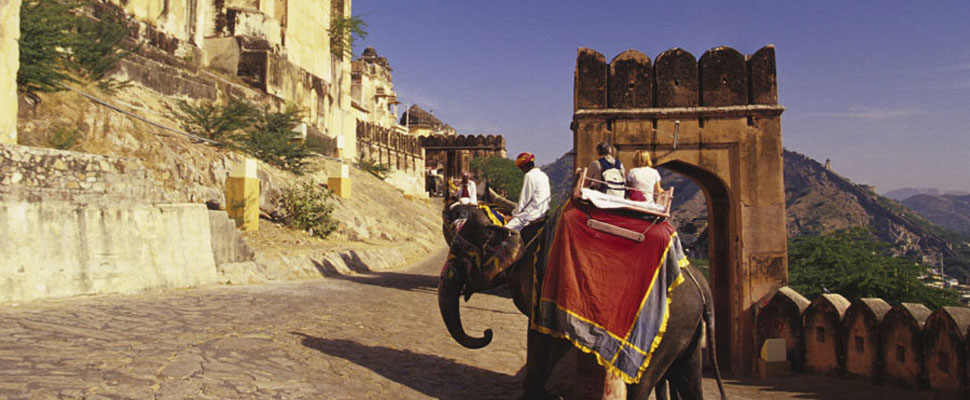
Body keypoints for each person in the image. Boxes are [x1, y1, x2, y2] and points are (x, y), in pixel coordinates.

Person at [505, 152, 550, 232]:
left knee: (504, 231)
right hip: (543, 212)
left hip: (532, 214)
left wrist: (514, 214)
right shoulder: (544, 175)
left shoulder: (529, 175)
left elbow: (524, 199)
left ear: (524, 166)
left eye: (521, 168)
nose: (522, 171)